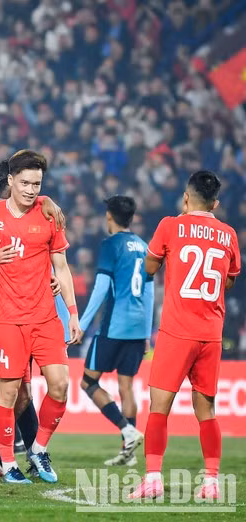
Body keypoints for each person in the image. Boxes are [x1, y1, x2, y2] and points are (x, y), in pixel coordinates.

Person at [130, 170, 240, 500]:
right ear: (216, 204)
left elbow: (150, 268)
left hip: (177, 331)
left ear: (186, 196)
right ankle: (211, 483)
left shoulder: (170, 225)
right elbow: (229, 281)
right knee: (206, 410)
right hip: (211, 334)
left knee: (159, 407)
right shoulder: (229, 234)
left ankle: (152, 479)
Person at [0, 150, 81, 484]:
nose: (31, 189)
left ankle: (38, 448)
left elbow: (61, 267)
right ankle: (8, 463)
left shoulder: (49, 216)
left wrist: (73, 313)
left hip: (45, 318)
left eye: (37, 183)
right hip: (6, 320)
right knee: (8, 396)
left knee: (60, 386)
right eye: (25, 182)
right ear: (10, 181)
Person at [78, 195, 152, 466]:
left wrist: (82, 325)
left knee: (87, 382)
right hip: (137, 327)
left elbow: (100, 288)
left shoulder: (111, 245)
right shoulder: (145, 247)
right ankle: (128, 453)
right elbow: (149, 292)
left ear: (109, 216)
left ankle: (127, 429)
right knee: (126, 386)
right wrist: (146, 332)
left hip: (115, 325)